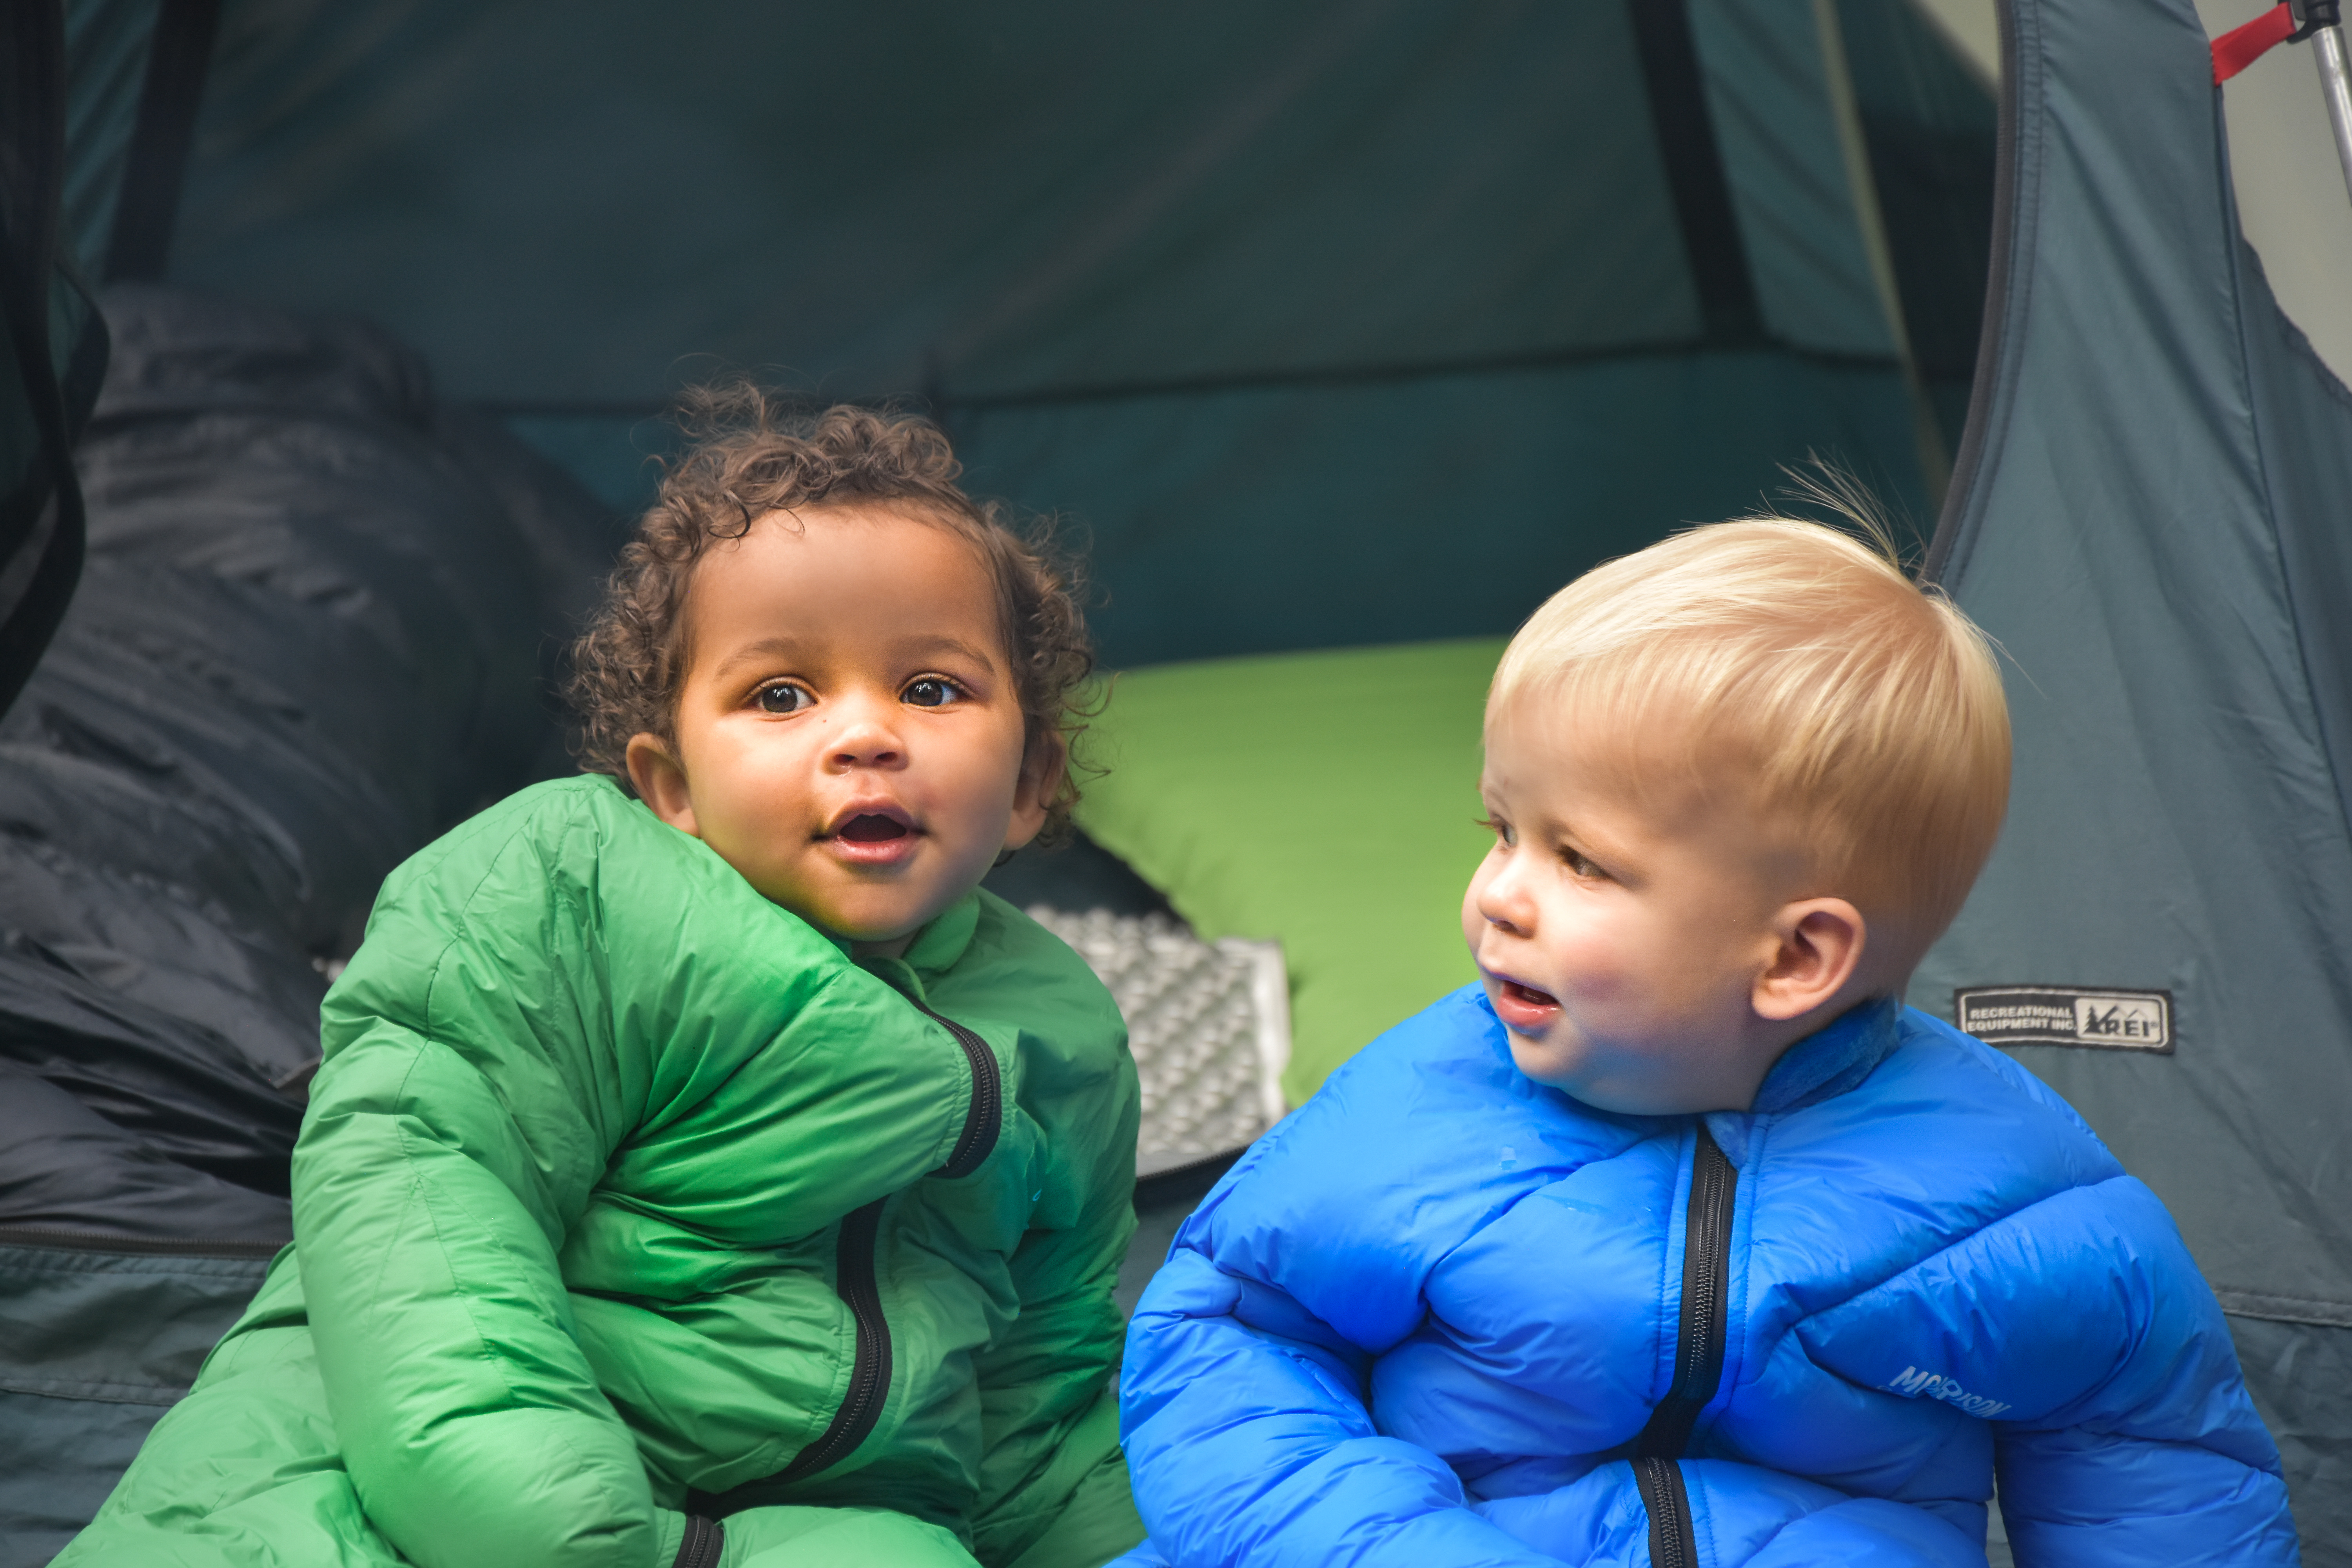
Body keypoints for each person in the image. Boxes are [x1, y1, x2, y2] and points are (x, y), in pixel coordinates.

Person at [60, 397, 1147, 1568]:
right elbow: (422, 1164)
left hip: (774, 1532)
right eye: (781, 695)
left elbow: (1044, 1371)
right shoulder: (571, 887)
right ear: (669, 786)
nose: (864, 735)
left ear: (1031, 782)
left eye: (931, 689)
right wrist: (536, 1498)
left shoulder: (1061, 1032)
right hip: (424, 1470)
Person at [1114, 519, 2299, 1566]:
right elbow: (1229, 1342)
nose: (1499, 898)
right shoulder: (1413, 1113)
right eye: (1503, 830)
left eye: (1579, 860)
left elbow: (2160, 1472)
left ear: (1794, 960)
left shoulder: (2017, 1196)